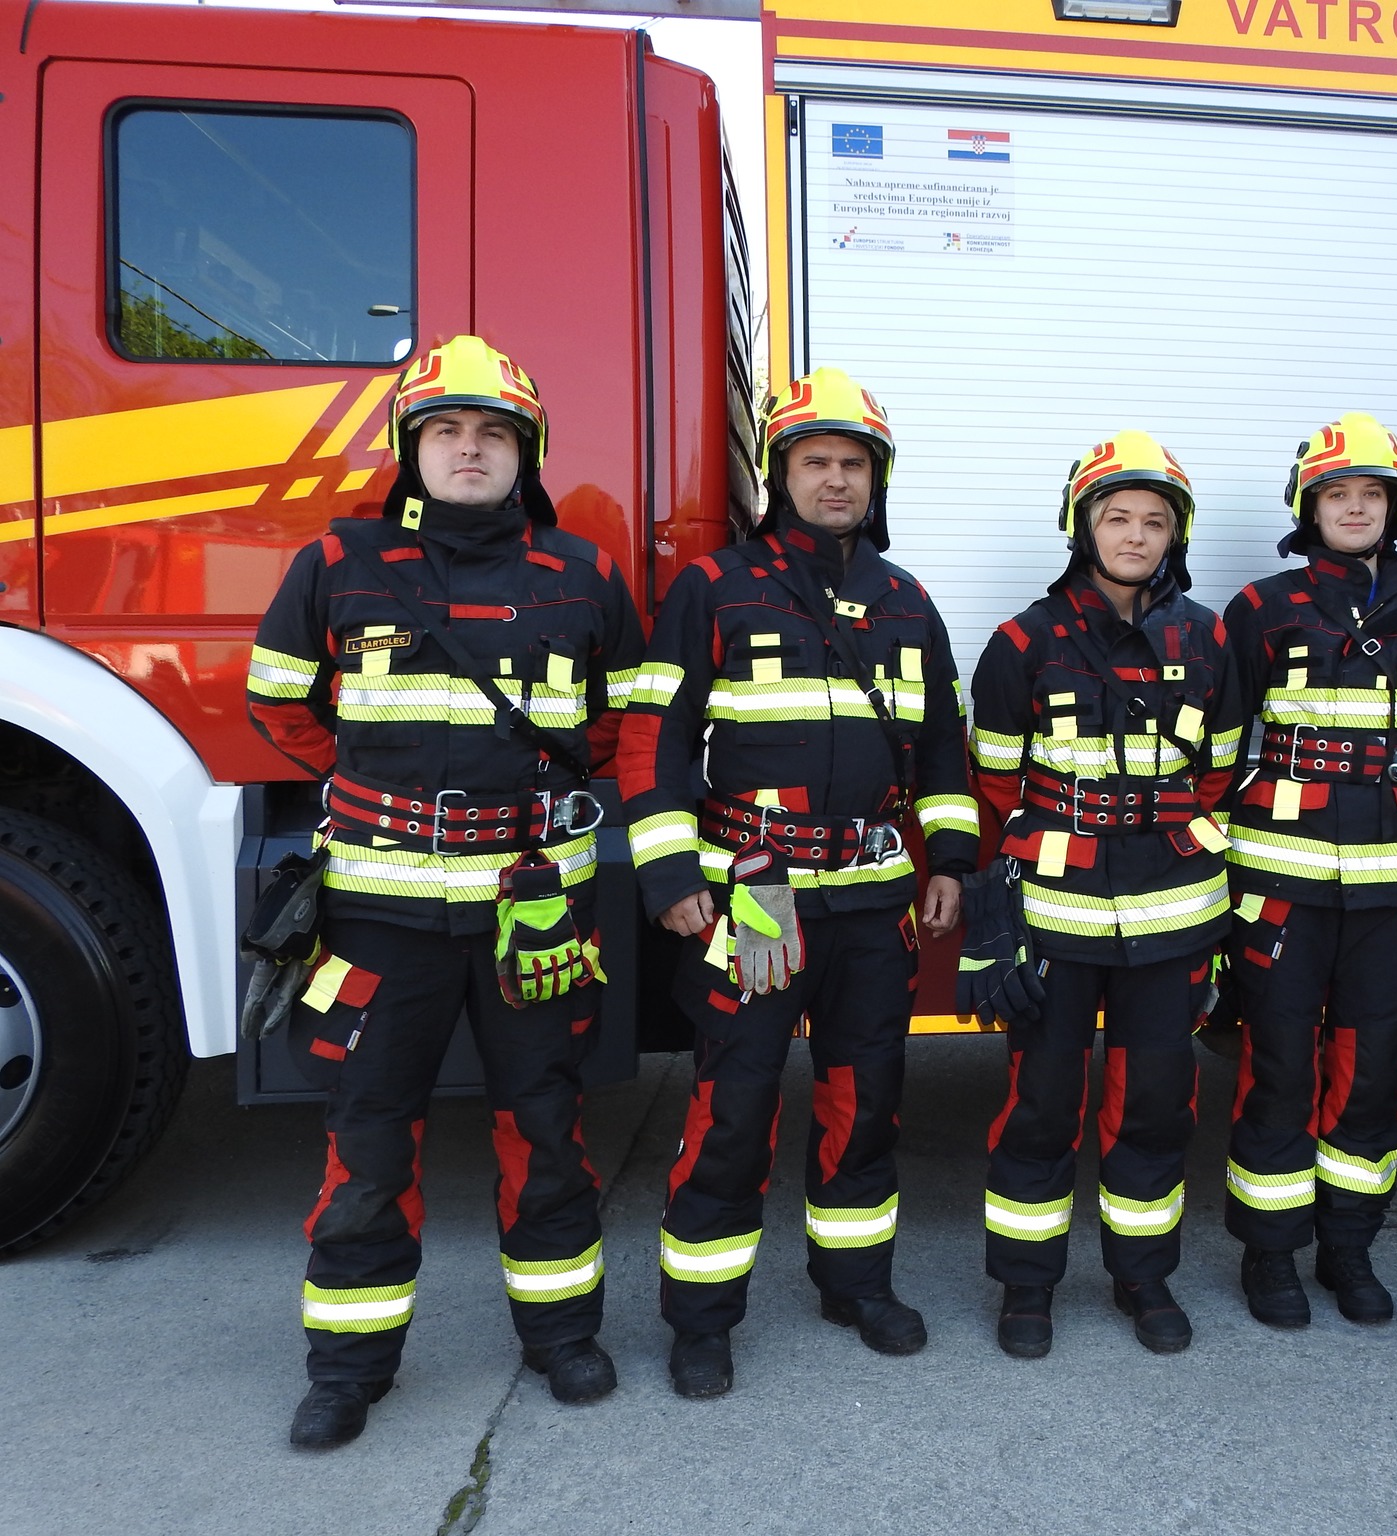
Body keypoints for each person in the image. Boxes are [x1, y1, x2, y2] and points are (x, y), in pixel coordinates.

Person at [246, 335, 643, 1448]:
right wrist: (377, 794)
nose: (471, 449)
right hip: (380, 914)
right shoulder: (339, 560)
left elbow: (622, 718)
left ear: (527, 453)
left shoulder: (584, 573)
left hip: (535, 912)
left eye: (494, 433)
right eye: (447, 431)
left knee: (547, 1126)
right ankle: (348, 1369)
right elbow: (277, 703)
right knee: (369, 1138)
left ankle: (562, 1338)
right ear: (411, 449)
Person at [619, 367, 980, 1399]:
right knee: (734, 1107)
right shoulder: (714, 587)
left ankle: (856, 1285)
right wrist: (670, 874)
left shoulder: (907, 602)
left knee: (864, 1101)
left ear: (876, 479)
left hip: (872, 901)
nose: (835, 479)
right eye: (816, 461)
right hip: (757, 895)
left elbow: (942, 752)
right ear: (780, 475)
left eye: (853, 463)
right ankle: (701, 1320)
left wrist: (952, 860)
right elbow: (653, 740)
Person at [965, 431, 1241, 1358]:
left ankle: (1143, 1278)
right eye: (1117, 517)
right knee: (1041, 1106)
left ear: (1175, 536)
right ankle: (1026, 1287)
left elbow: (1218, 773)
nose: (1135, 535)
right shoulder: (1023, 641)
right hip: (1056, 916)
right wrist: (997, 921)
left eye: (1154, 522)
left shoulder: (1208, 638)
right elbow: (994, 786)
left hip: (1174, 914)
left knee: (1156, 1104)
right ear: (1083, 528)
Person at [1218, 413, 1397, 1329]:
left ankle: (1350, 1249)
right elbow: (1218, 746)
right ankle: (1270, 1255)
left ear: (1395, 508)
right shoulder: (1260, 608)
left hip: (1394, 886)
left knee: (1373, 1071)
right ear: (1308, 506)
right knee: (1279, 1065)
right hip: (1277, 881)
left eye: (1372, 495)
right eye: (1337, 494)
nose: (1355, 508)